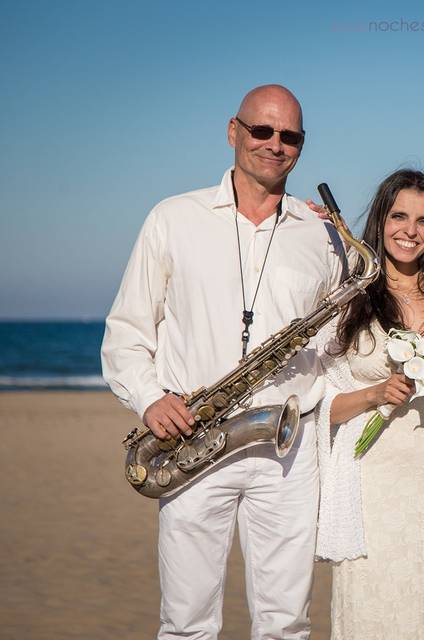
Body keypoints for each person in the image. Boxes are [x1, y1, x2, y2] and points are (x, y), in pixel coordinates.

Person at [101, 85, 346, 640]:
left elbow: (334, 344)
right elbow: (126, 331)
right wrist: (148, 398)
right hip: (193, 438)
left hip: (288, 449)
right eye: (261, 130)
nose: (275, 144)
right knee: (186, 622)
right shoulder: (172, 217)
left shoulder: (322, 234)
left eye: (290, 136)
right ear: (233, 131)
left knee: (286, 623)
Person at [312, 169, 424, 640]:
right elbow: (320, 407)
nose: (410, 230)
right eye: (399, 215)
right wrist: (376, 393)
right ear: (380, 219)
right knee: (375, 613)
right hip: (376, 487)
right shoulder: (348, 299)